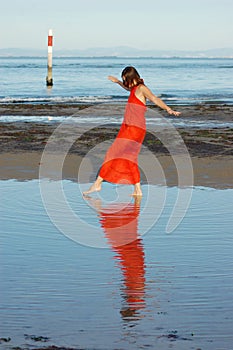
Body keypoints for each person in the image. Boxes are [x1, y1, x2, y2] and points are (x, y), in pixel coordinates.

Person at [83, 66, 180, 197]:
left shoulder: (142, 88)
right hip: (129, 127)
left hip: (134, 129)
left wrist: (168, 109)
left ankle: (98, 183)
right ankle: (138, 190)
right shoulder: (134, 88)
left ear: (131, 78)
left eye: (125, 80)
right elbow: (128, 88)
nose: (125, 83)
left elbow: (154, 99)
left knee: (112, 153)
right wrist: (117, 82)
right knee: (130, 158)